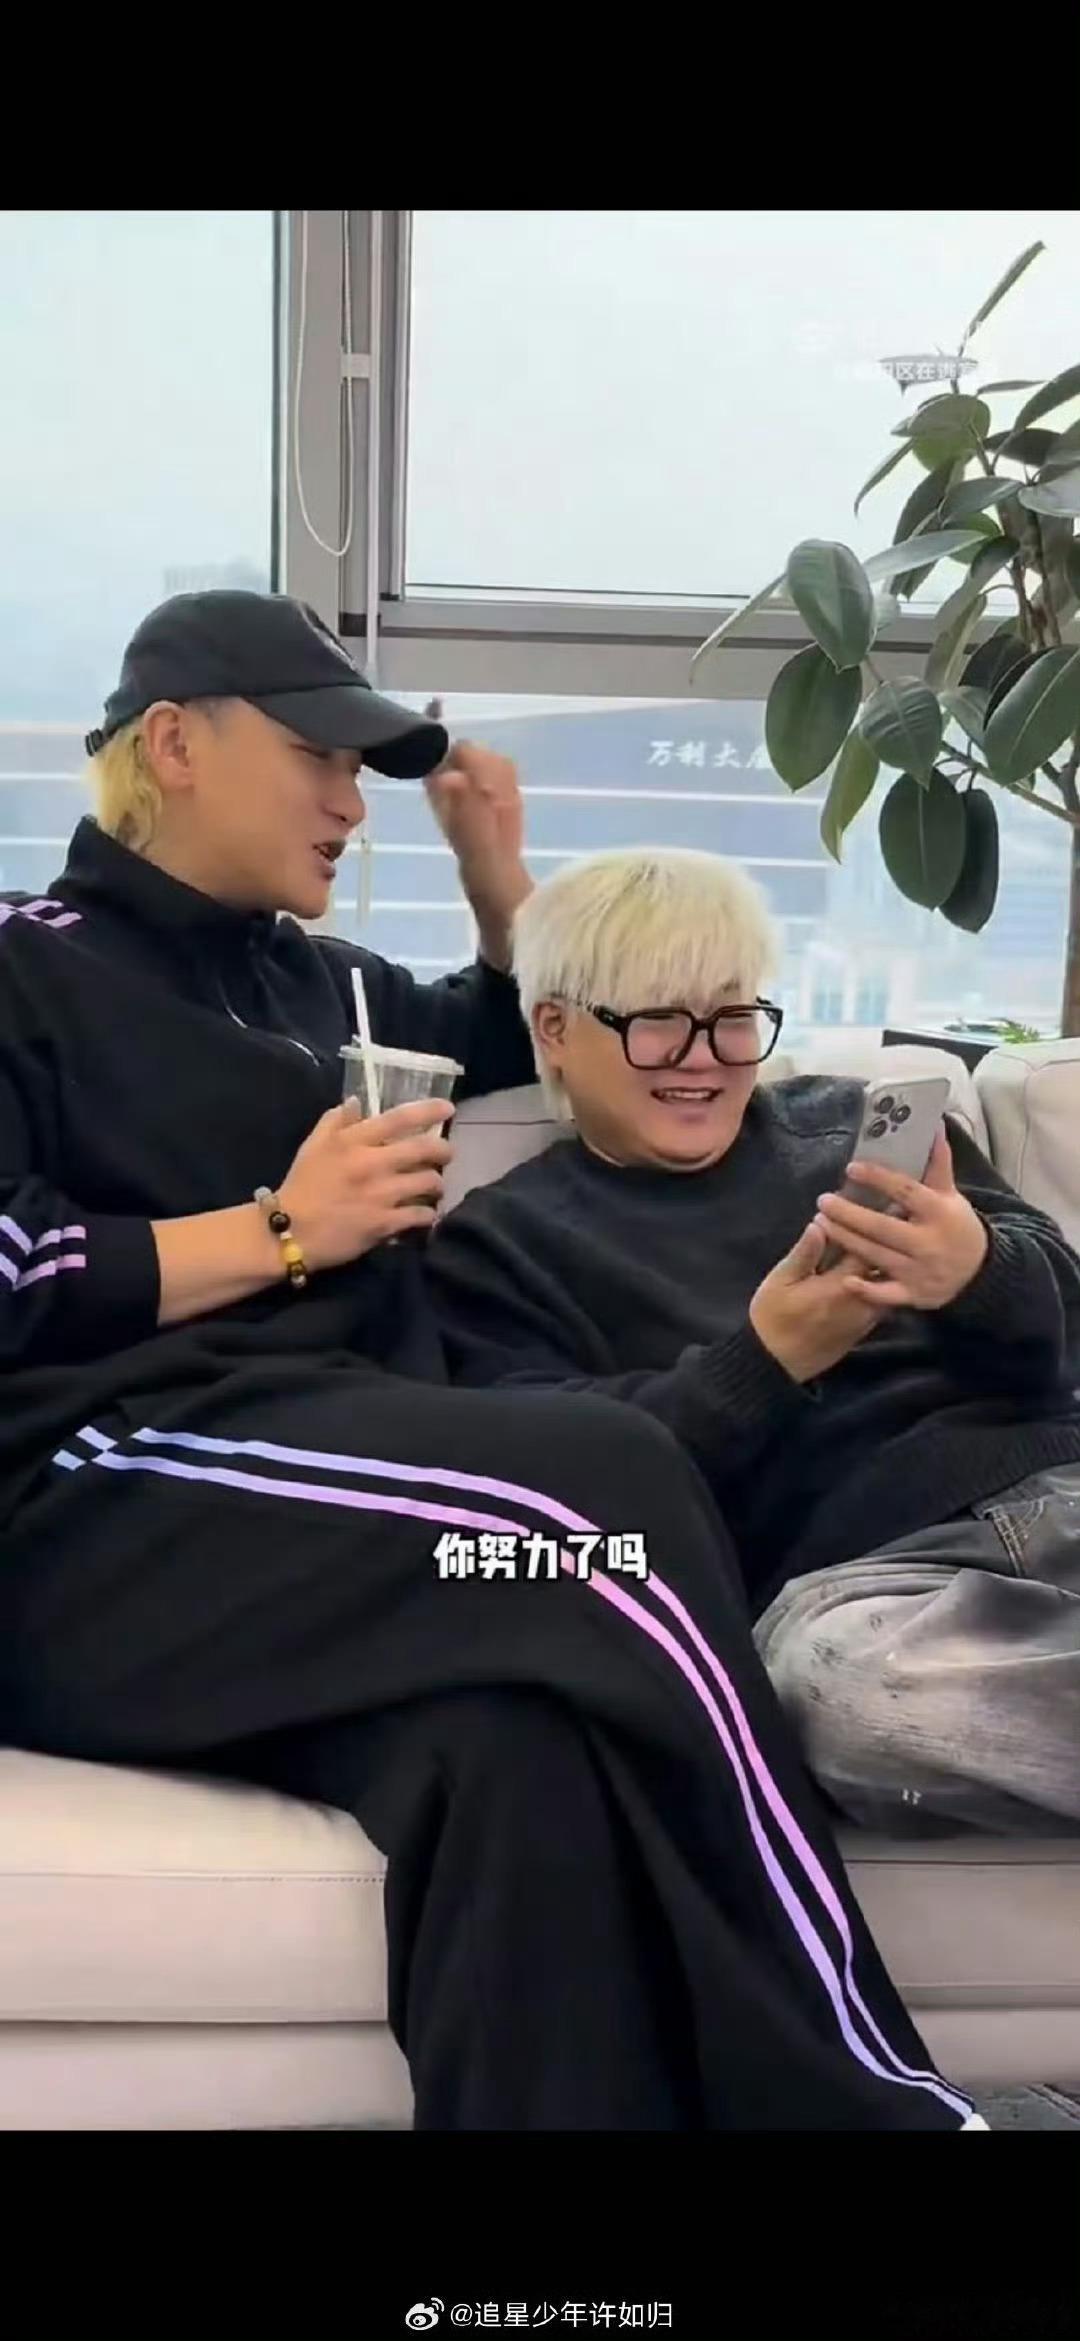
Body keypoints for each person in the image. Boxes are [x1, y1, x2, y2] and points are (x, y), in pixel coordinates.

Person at [0, 599, 983, 2131]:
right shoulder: (24, 967)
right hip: (95, 1515)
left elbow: (528, 1020)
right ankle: (869, 2101)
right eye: (321, 758)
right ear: (175, 745)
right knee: (603, 1488)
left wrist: (487, 864)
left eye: (365, 770)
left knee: (518, 1755)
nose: (351, 802)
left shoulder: (321, 987)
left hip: (325, 1529)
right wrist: (279, 1231)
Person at [428, 845, 1080, 1841]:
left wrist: (978, 1266)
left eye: (732, 1017)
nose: (703, 1059)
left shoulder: (857, 1122)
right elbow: (554, 1479)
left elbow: (1066, 1324)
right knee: (837, 1696)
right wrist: (764, 1362)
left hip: (1055, 1485)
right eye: (657, 1020)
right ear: (554, 1028)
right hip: (871, 1589)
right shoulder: (499, 1246)